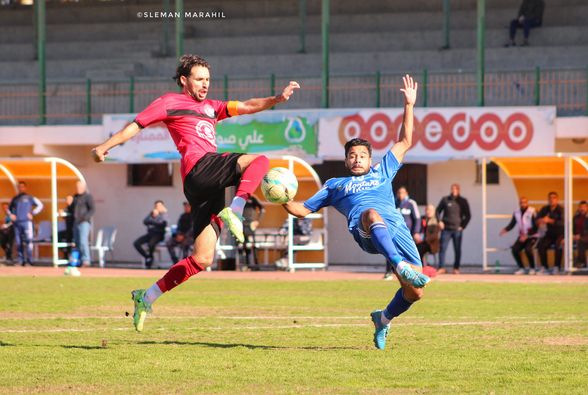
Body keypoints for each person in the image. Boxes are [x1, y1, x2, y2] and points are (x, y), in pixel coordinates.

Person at [92, 54, 299, 331]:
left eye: (208, 80)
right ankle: (235, 210)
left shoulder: (213, 107)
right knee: (259, 161)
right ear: (184, 80)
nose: (205, 85)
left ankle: (147, 296)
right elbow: (136, 126)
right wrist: (105, 146)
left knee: (202, 258)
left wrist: (276, 99)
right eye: (199, 79)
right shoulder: (169, 102)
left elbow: (248, 106)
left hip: (207, 186)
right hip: (199, 169)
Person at [281, 75, 429, 350]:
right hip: (366, 230)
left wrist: (409, 105)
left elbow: (405, 141)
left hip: (397, 230)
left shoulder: (383, 171)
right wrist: (281, 197)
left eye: (362, 155)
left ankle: (382, 319)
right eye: (352, 155)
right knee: (371, 213)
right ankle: (399, 266)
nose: (357, 158)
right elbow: (301, 209)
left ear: (370, 159)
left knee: (415, 292)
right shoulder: (335, 185)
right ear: (346, 160)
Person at [385, 186, 421, 279]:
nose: (400, 195)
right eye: (399, 193)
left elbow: (417, 218)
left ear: (406, 194)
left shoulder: (411, 203)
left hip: (407, 235)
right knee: (390, 251)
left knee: (408, 253)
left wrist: (416, 232)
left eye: (402, 193)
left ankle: (412, 274)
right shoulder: (393, 203)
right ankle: (389, 272)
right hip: (393, 233)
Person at [436, 184, 471, 274]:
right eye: (452, 189)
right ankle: (441, 267)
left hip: (457, 230)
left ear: (459, 190)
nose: (454, 190)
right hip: (446, 229)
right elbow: (437, 211)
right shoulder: (445, 200)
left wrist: (462, 226)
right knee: (442, 248)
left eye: (456, 189)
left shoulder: (463, 201)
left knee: (457, 249)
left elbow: (468, 216)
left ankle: (456, 268)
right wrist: (439, 221)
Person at [499, 196, 538, 275]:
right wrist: (505, 229)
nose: (523, 204)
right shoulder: (516, 212)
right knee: (514, 250)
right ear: (519, 203)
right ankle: (522, 268)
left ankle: (532, 268)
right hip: (522, 236)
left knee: (528, 249)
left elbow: (536, 227)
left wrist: (527, 235)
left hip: (532, 236)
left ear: (527, 203)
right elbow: (512, 224)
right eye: (521, 203)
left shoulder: (532, 211)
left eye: (524, 202)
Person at [9, 181, 43, 266]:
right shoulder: (15, 199)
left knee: (29, 241)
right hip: (17, 223)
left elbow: (40, 205)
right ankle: (21, 261)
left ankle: (29, 260)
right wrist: (11, 215)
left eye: (22, 187)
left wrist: (32, 213)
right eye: (19, 187)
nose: (21, 188)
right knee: (18, 242)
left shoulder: (29, 198)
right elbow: (9, 209)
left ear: (25, 188)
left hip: (26, 222)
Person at [133, 200, 168, 269]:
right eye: (156, 206)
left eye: (159, 205)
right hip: (150, 234)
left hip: (159, 235)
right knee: (136, 243)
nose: (157, 207)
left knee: (151, 244)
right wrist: (153, 217)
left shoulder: (164, 214)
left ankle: (150, 258)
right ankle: (148, 257)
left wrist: (153, 221)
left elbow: (163, 224)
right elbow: (145, 221)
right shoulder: (152, 213)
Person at [536, 191, 564, 274]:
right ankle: (545, 267)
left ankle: (557, 267)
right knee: (541, 245)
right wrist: (541, 220)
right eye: (550, 198)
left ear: (557, 199)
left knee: (558, 245)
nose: (552, 200)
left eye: (554, 198)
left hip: (560, 233)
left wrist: (550, 220)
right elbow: (537, 219)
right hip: (549, 233)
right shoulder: (545, 208)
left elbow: (562, 222)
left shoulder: (561, 209)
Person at [72, 182, 95, 266]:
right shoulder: (75, 197)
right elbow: (72, 209)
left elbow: (92, 210)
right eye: (77, 187)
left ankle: (86, 260)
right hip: (76, 222)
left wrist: (85, 218)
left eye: (79, 187)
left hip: (84, 223)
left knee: (83, 241)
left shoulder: (88, 197)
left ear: (84, 187)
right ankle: (78, 260)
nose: (78, 188)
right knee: (77, 242)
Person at [242, 195, 264, 269]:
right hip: (241, 225)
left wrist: (257, 221)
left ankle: (256, 265)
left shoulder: (252, 198)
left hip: (250, 225)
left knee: (252, 246)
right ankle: (247, 265)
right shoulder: (239, 197)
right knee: (243, 246)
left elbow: (262, 209)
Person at [58, 195, 74, 259]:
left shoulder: (75, 207)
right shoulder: (67, 208)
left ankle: (70, 257)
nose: (68, 201)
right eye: (67, 200)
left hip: (74, 230)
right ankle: (64, 252)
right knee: (56, 236)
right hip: (68, 230)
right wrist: (61, 212)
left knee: (70, 241)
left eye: (70, 200)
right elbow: (63, 215)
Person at [573, 200, 588, 268]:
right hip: (577, 238)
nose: (582, 208)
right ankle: (574, 263)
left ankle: (582, 263)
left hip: (585, 237)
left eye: (584, 207)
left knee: (581, 241)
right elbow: (572, 228)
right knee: (565, 243)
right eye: (581, 207)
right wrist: (572, 235)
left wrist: (580, 236)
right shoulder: (576, 217)